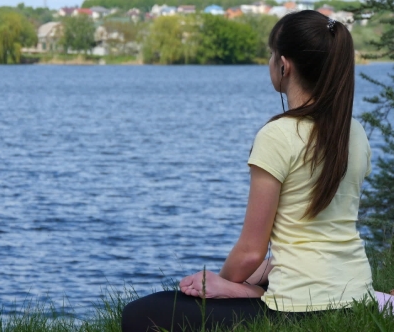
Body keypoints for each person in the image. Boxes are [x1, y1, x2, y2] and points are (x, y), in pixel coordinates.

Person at [121, 10, 374, 331]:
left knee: (139, 313)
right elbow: (320, 232)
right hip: (356, 298)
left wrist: (218, 286)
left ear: (284, 65)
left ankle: (247, 292)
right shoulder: (354, 131)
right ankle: (251, 291)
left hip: (299, 309)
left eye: (271, 55)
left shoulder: (278, 135)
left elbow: (250, 251)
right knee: (251, 281)